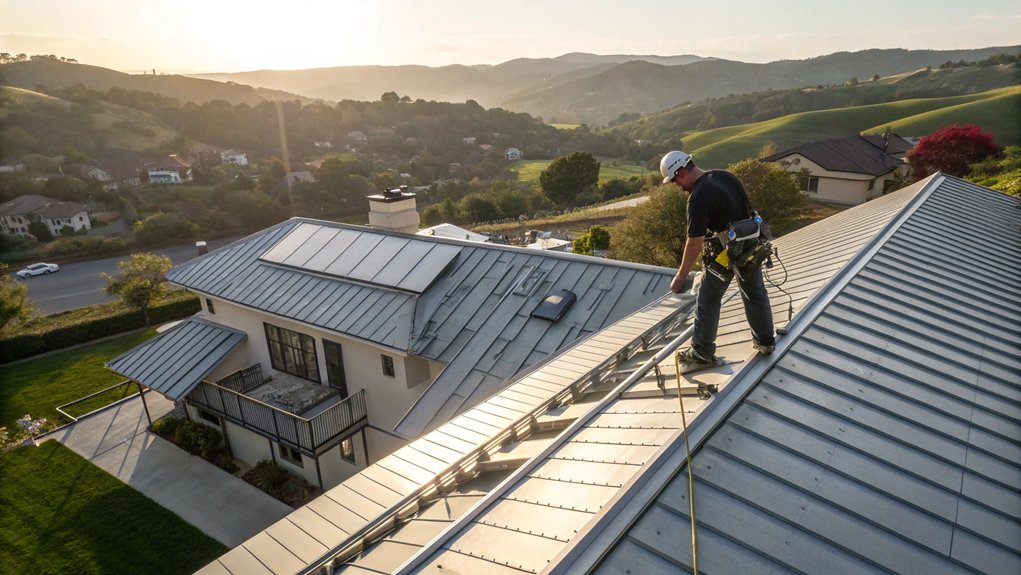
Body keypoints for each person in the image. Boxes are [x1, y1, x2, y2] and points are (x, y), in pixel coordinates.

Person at [660, 151, 775, 366]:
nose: (679, 187)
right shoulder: (726, 176)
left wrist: (680, 276)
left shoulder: (698, 197)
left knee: (708, 298)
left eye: (676, 182)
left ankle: (701, 353)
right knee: (755, 293)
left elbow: (694, 243)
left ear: (681, 173)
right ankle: (766, 341)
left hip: (726, 251)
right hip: (751, 244)